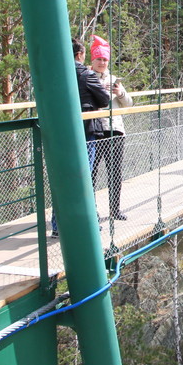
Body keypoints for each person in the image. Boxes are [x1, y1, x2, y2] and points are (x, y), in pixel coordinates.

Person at [52, 38, 110, 238]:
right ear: (79, 55)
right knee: (84, 177)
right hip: (84, 130)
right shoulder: (85, 74)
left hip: (58, 131)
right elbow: (104, 99)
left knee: (62, 177)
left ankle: (58, 226)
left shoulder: (56, 73)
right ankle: (87, 224)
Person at [89, 35, 133, 221]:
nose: (102, 62)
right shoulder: (87, 77)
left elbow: (129, 104)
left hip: (115, 130)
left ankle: (115, 210)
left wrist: (120, 93)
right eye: (99, 59)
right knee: (91, 173)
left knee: (115, 172)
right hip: (95, 130)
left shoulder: (115, 79)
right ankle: (93, 212)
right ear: (92, 59)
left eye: (105, 59)